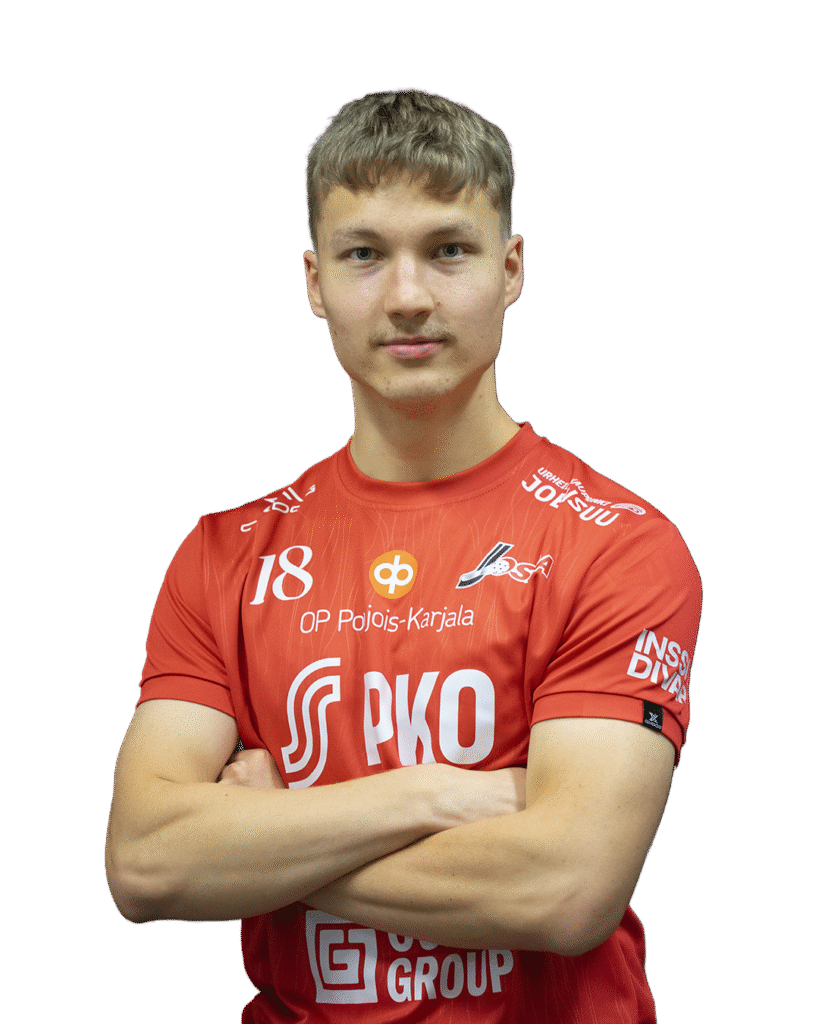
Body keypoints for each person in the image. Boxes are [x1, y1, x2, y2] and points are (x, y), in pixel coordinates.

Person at [106, 90, 701, 1022]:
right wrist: (432, 795)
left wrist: (269, 835)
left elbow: (566, 889)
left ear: (509, 269)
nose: (409, 296)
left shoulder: (616, 544)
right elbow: (146, 864)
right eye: (364, 255)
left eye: (449, 249)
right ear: (315, 283)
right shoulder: (226, 554)